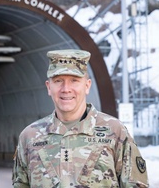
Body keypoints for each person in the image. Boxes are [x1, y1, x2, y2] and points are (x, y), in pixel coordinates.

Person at [12, 49, 149, 188]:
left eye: (74, 80)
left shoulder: (114, 132)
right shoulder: (30, 136)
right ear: (49, 87)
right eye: (58, 80)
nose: (66, 89)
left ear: (87, 85)